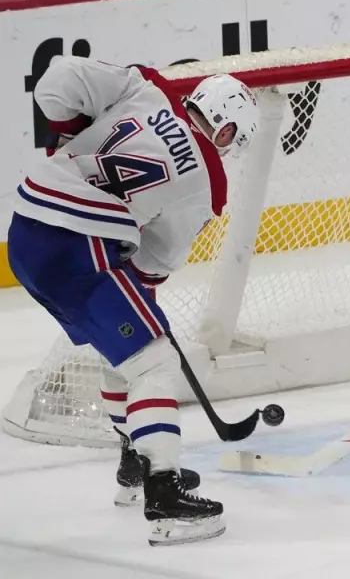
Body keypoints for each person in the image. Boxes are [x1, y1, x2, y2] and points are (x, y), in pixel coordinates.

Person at [8, 56, 260, 545]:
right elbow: (154, 261)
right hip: (78, 245)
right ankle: (165, 495)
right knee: (154, 361)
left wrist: (69, 138)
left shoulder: (149, 86)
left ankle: (135, 462)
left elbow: (55, 83)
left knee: (124, 350)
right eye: (233, 140)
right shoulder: (210, 183)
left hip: (25, 230)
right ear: (226, 131)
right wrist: (138, 282)